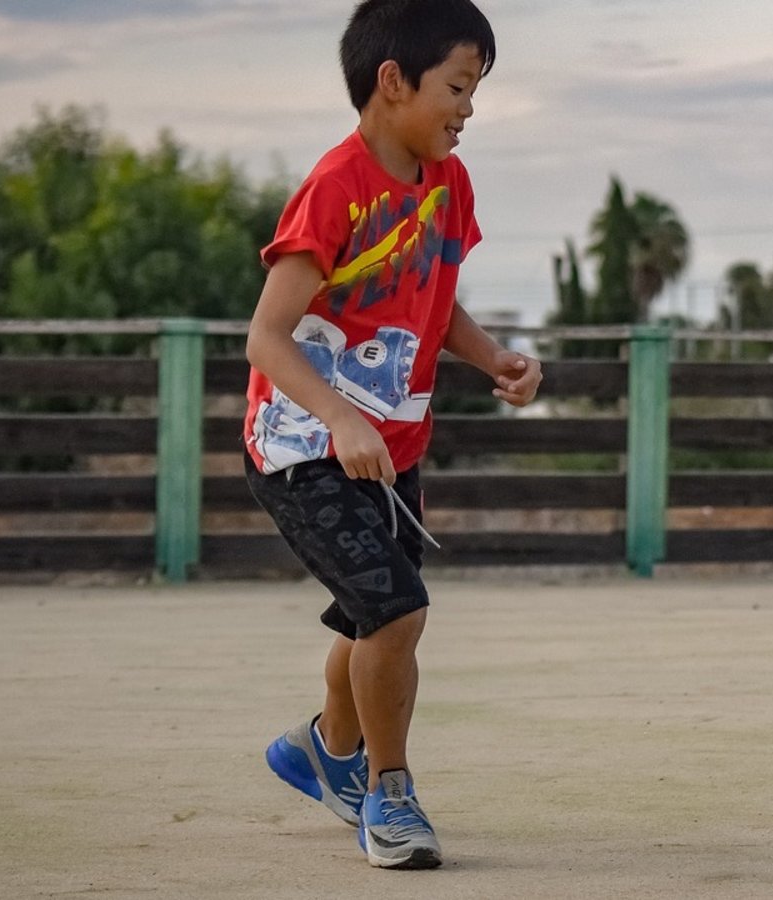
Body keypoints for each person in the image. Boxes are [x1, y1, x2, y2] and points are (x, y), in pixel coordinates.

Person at [241, 0, 541, 870]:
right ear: (392, 81)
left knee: (372, 621)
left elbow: (435, 303)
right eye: (456, 86)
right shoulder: (335, 189)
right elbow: (268, 335)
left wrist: (493, 362)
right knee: (398, 611)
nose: (467, 108)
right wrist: (338, 417)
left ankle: (315, 751)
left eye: (475, 89)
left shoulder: (448, 185)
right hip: (303, 447)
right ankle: (389, 788)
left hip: (390, 446)